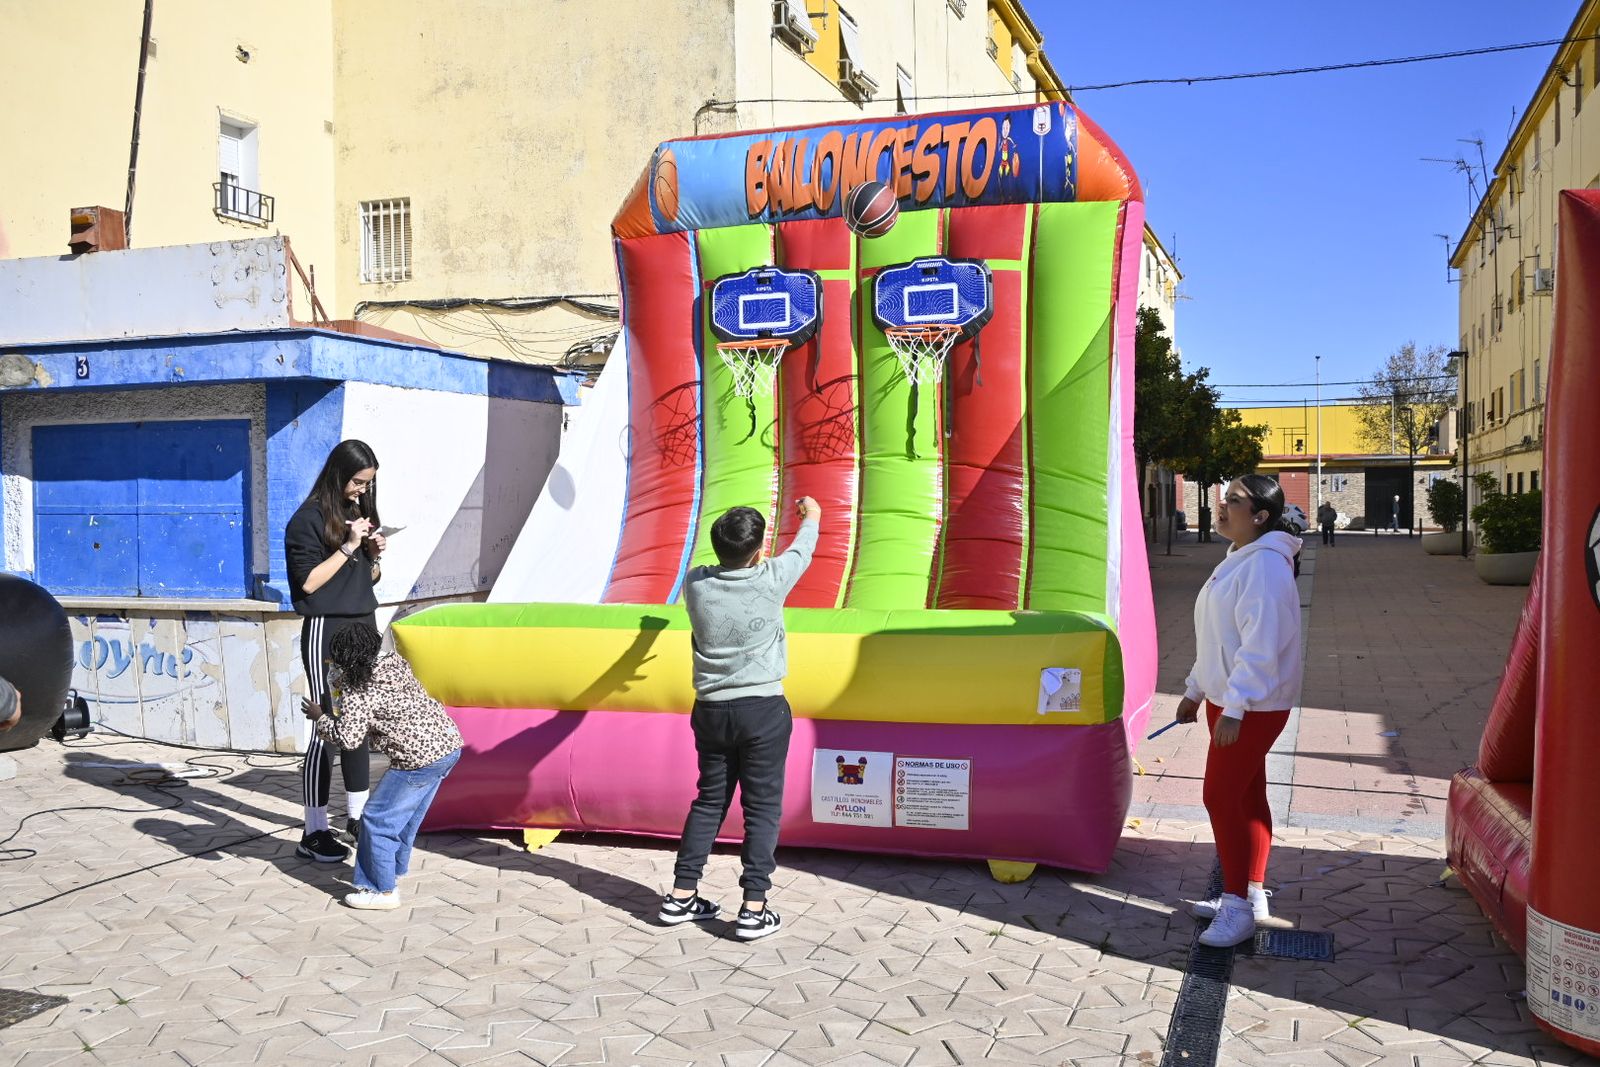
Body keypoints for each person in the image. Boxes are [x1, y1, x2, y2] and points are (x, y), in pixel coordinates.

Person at [658, 497, 821, 940]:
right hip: (763, 710)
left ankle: (681, 895)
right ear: (758, 549)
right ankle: (753, 906)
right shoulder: (772, 578)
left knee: (709, 800)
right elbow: (804, 549)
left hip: (711, 709)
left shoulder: (695, 584)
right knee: (762, 807)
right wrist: (813, 514)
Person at [1173, 474, 1304, 947]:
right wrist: (1194, 690)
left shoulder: (1265, 567)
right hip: (1229, 701)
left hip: (1250, 706)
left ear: (1260, 516)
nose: (1222, 507)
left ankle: (1235, 906)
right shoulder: (1237, 560)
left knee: (1221, 797)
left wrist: (1237, 708)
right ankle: (1249, 892)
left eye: (1234, 501)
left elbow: (1260, 646)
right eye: (1223, 499)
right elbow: (1218, 639)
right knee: (1245, 797)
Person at [301, 623, 463, 911]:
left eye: (337, 659)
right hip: (447, 746)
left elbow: (349, 739)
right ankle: (394, 868)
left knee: (376, 819)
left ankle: (380, 890)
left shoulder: (357, 687)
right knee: (406, 818)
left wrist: (321, 717)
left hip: (416, 760)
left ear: (346, 659)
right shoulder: (394, 662)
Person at [284, 440, 387, 863]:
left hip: (364, 623)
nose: (362, 491)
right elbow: (308, 584)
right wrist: (347, 546)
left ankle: (357, 818)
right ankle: (313, 830)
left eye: (369, 484)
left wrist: (375, 557)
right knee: (327, 727)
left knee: (359, 722)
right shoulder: (306, 520)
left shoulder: (359, 513)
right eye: (357, 482)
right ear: (338, 474)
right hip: (327, 628)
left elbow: (367, 579)